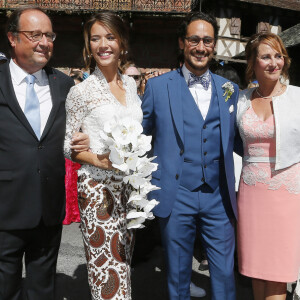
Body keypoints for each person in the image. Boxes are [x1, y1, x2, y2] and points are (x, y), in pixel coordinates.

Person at [142, 11, 239, 300]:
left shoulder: (229, 89)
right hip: (176, 192)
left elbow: (241, 138)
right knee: (179, 273)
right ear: (183, 43)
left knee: (224, 273)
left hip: (218, 195)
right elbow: (139, 137)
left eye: (207, 40)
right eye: (194, 39)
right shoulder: (158, 87)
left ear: (214, 45)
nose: (200, 47)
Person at [0, 7, 88, 300]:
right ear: (13, 38)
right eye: (34, 34)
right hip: (4, 209)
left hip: (47, 210)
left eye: (49, 35)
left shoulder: (63, 85)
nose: (44, 42)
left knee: (42, 290)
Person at [64, 11, 143, 299]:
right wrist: (97, 158)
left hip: (130, 188)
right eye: (95, 38)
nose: (103, 44)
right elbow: (66, 146)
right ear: (88, 45)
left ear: (122, 43)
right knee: (106, 269)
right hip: (97, 189)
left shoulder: (132, 85)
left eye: (110, 37)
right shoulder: (81, 92)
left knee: (123, 263)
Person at [237, 32, 300, 300]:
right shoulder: (239, 99)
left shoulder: (298, 98)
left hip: (286, 195)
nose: (274, 62)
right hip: (251, 195)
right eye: (266, 56)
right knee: (257, 273)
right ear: (253, 62)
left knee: (276, 277)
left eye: (278, 56)